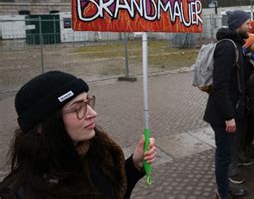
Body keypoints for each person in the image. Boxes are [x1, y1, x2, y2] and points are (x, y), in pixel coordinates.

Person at [0, 71, 157, 198]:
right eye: (77, 108)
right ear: (44, 126)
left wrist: (133, 165)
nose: (93, 113)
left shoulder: (98, 153)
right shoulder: (20, 192)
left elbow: (112, 193)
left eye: (88, 103)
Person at [203, 10, 250, 199]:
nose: (249, 26)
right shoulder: (228, 47)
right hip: (223, 114)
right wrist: (229, 116)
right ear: (237, 25)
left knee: (227, 153)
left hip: (229, 111)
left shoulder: (235, 45)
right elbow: (220, 85)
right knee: (224, 156)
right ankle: (222, 193)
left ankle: (225, 188)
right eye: (247, 23)